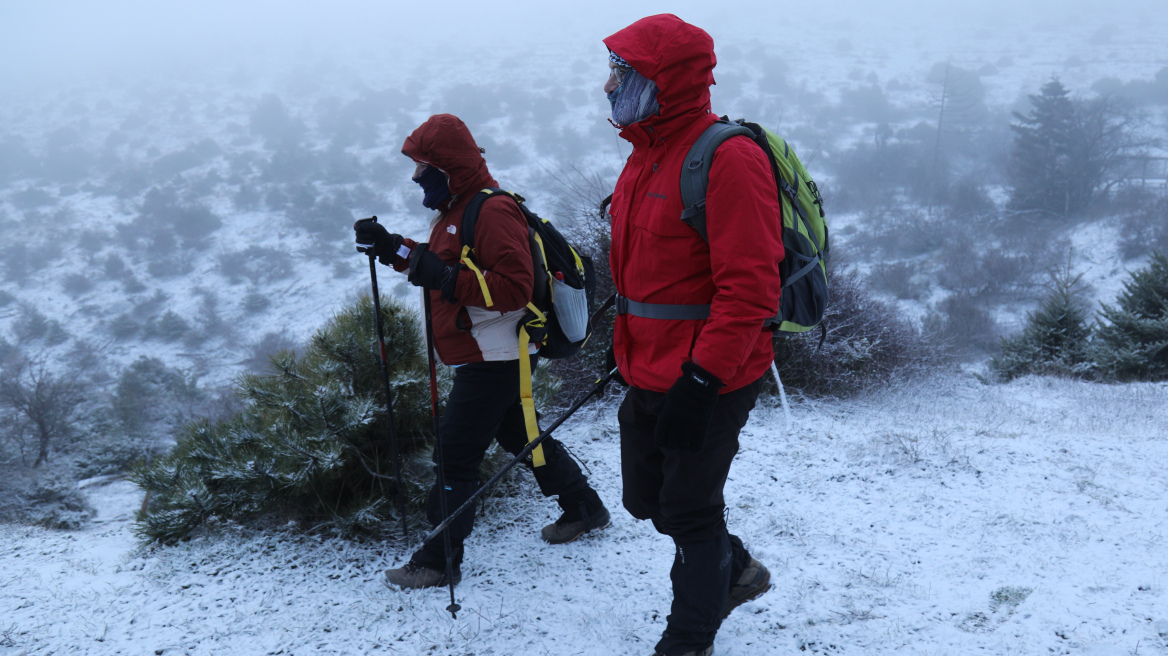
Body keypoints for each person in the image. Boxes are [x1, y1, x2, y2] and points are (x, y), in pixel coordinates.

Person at [355, 113, 610, 589]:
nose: (415, 177)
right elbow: (441, 265)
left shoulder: (490, 210)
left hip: (495, 353)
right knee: (520, 434)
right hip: (489, 351)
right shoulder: (457, 209)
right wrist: (393, 248)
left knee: (456, 454)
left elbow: (515, 288)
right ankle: (584, 508)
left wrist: (444, 277)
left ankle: (438, 559)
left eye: (421, 166)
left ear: (447, 167)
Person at [601, 15, 784, 656]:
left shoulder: (727, 157)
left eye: (622, 73)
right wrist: (620, 341)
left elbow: (750, 289)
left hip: (711, 375)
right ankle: (734, 569)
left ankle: (689, 638)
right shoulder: (643, 156)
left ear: (662, 80)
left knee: (689, 509)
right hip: (647, 368)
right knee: (646, 499)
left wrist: (702, 380)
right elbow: (646, 273)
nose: (609, 84)